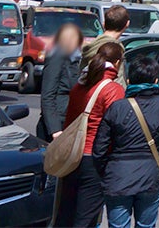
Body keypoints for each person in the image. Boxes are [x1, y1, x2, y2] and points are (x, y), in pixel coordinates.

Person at [94, 52, 159, 228]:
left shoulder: (117, 108)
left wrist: (105, 171)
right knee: (146, 225)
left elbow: (99, 149)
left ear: (129, 81)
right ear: (156, 81)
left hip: (117, 176)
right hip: (149, 175)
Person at [54, 41, 126, 225]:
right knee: (86, 218)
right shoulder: (112, 89)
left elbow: (69, 120)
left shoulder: (80, 86)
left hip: (73, 155)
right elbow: (116, 127)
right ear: (117, 63)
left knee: (67, 212)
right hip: (94, 157)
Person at [38, 22, 85, 141]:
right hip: (57, 125)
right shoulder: (56, 58)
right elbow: (47, 95)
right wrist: (55, 129)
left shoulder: (75, 59)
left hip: (69, 121)